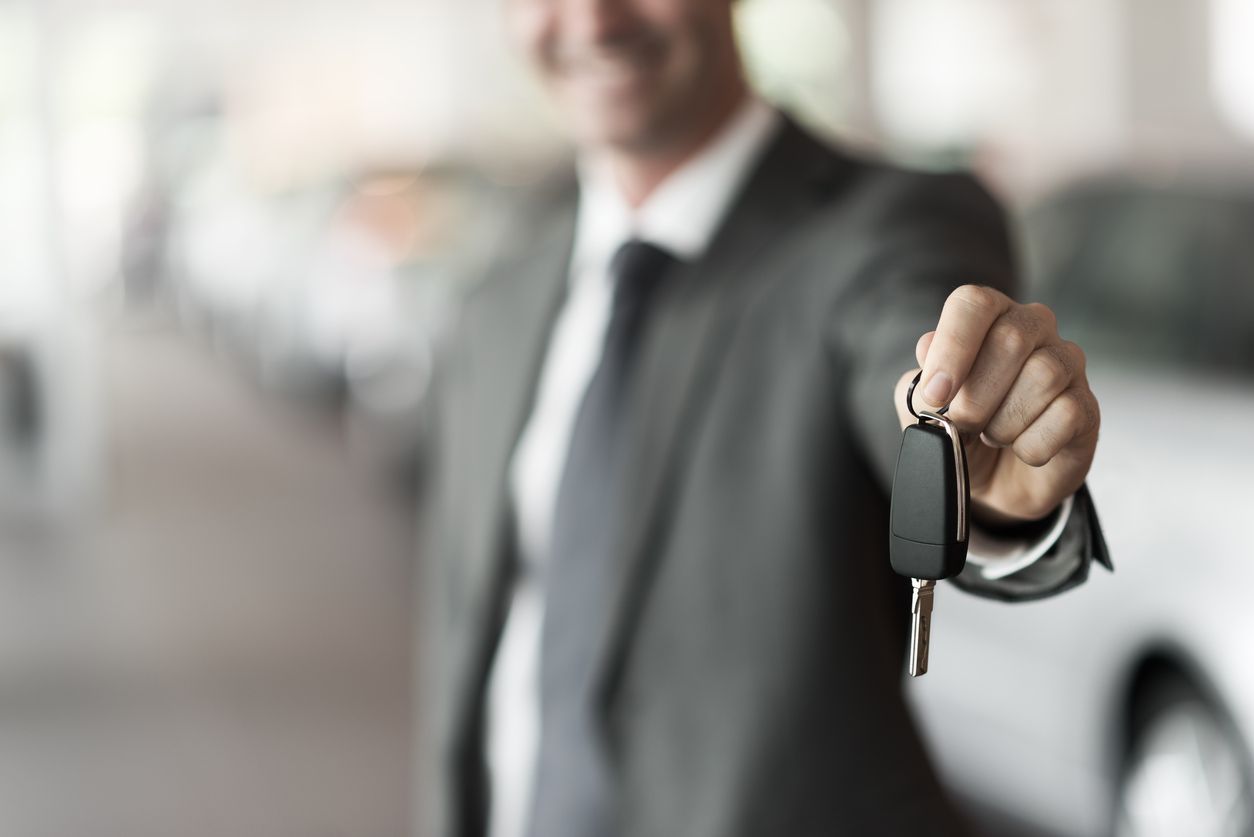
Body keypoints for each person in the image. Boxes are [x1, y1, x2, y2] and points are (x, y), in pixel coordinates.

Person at [415, 0, 1111, 835]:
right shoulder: (500, 297)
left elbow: (913, 347)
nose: (592, 20)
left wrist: (979, 462)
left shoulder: (889, 230)